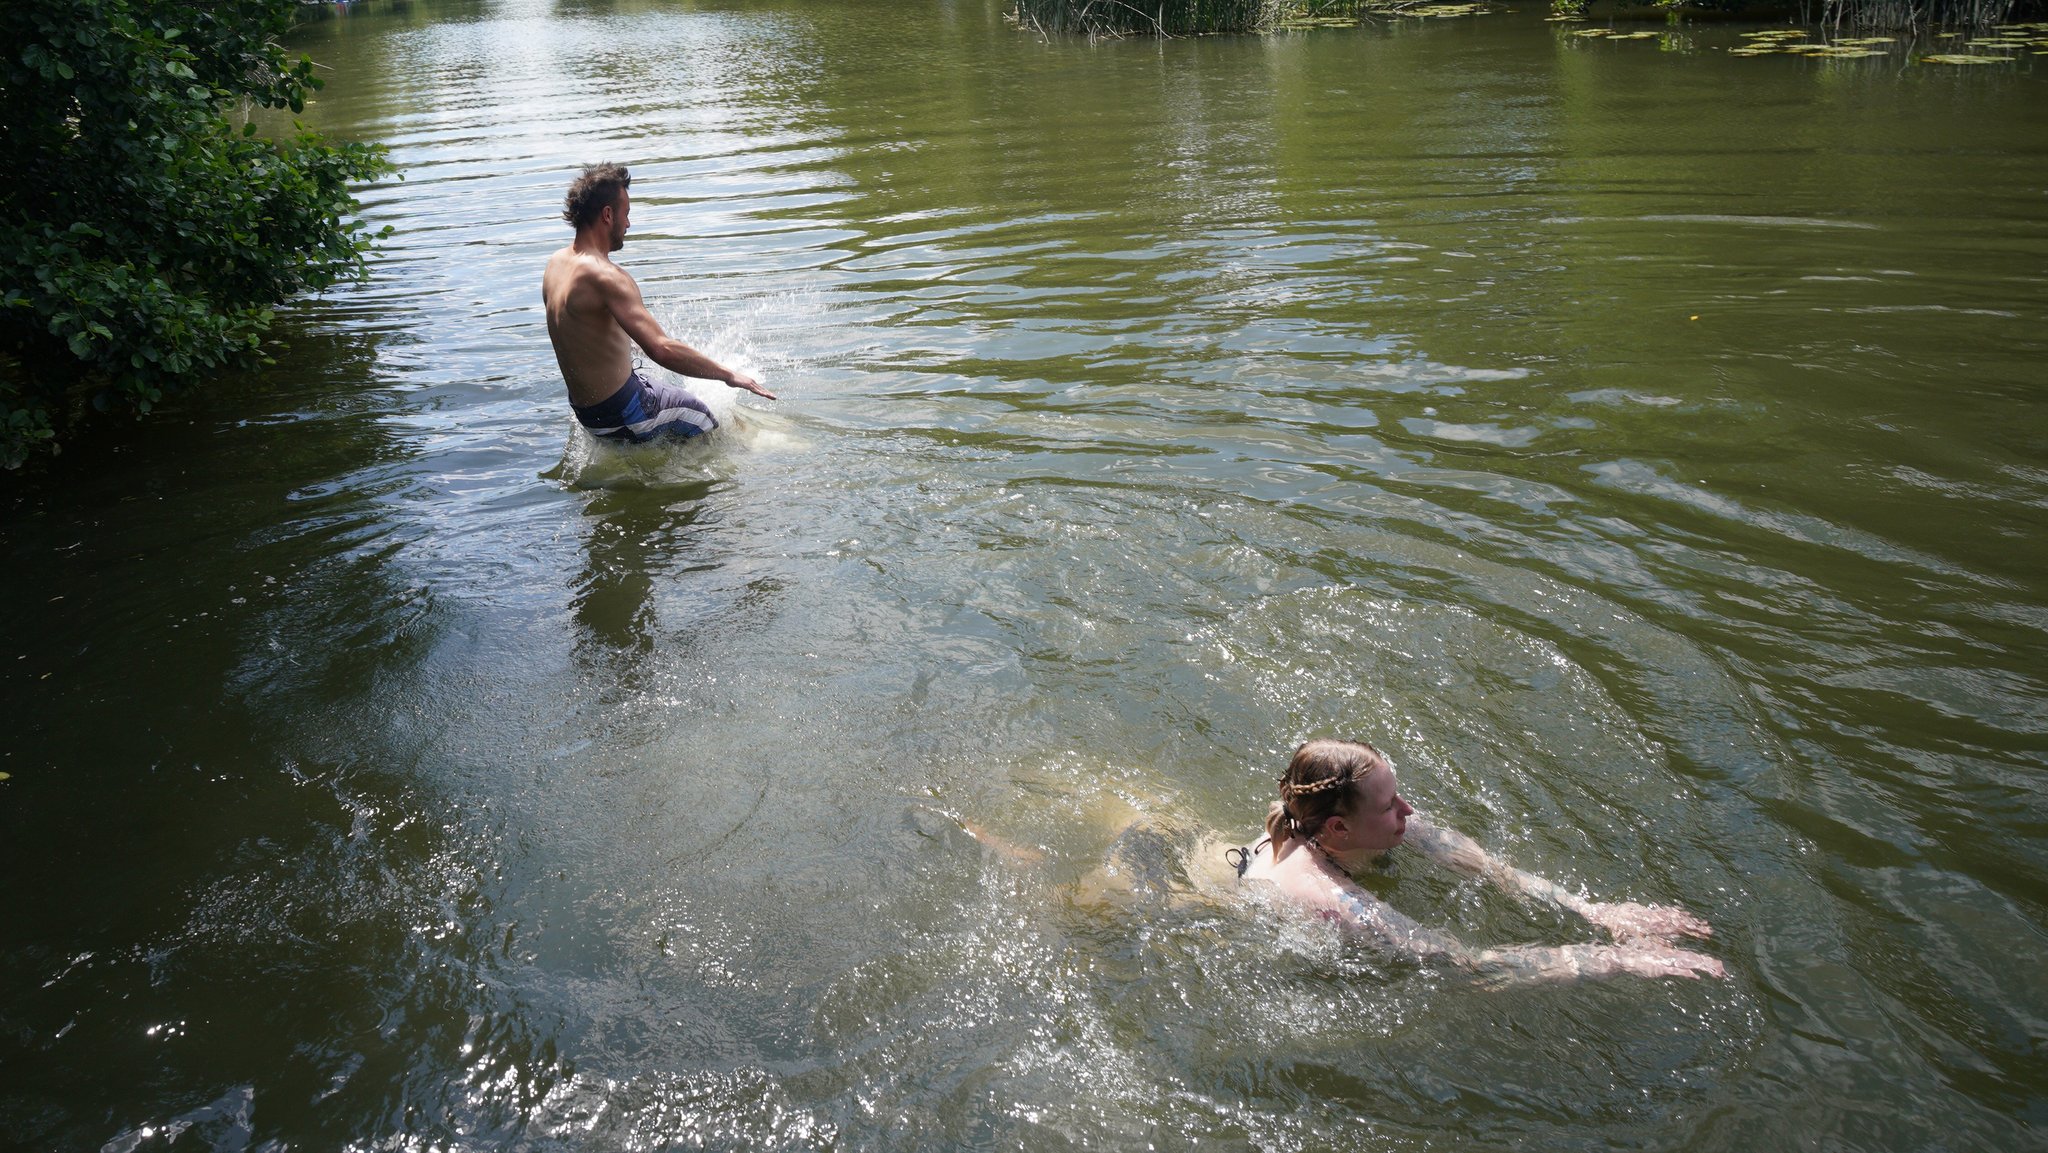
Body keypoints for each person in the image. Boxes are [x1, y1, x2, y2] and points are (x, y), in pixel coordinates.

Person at [1226, 738, 1725, 984]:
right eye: (1390, 806)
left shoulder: (1359, 822)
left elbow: (1491, 869)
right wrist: (1620, 959)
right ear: (1339, 828)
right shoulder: (1334, 900)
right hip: (1212, 893)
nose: (1409, 812)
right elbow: (1468, 966)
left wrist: (1597, 913)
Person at [542, 163, 775, 443]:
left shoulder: (556, 265)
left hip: (589, 416)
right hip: (624, 411)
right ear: (607, 215)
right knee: (708, 421)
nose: (628, 224)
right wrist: (729, 375)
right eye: (626, 214)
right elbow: (661, 349)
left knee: (662, 390)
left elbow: (583, 330)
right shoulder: (607, 276)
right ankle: (745, 460)